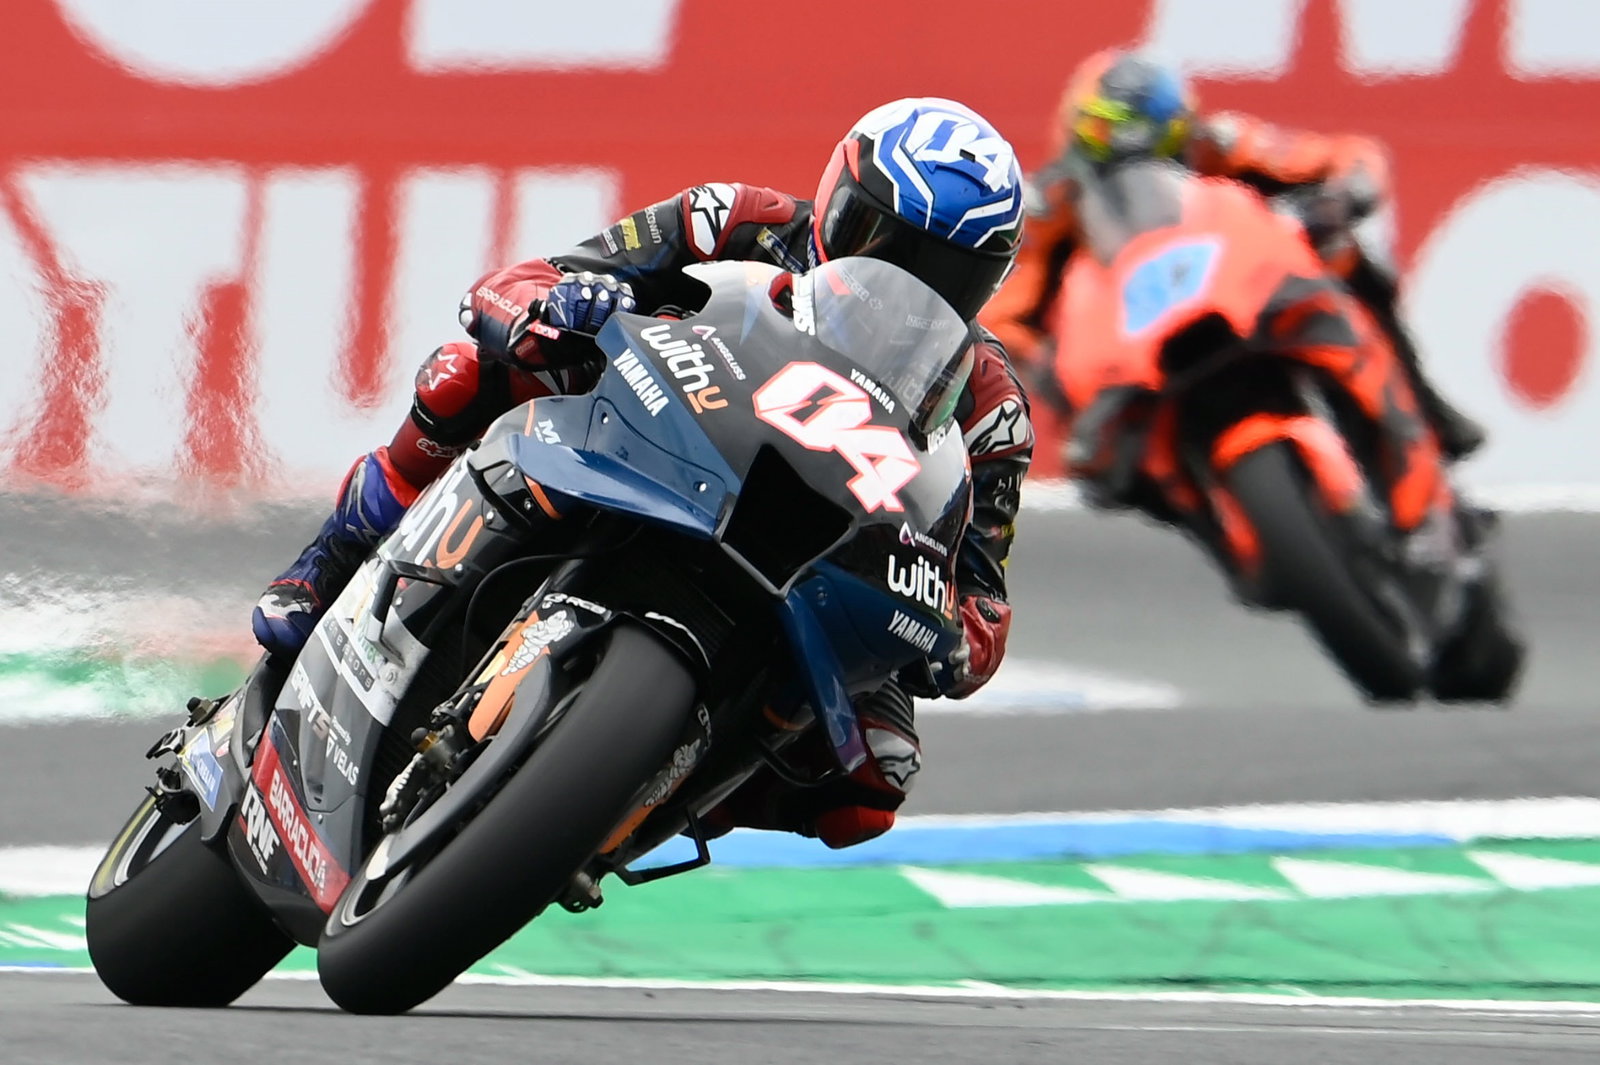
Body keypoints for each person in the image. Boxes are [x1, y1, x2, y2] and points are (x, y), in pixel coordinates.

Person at [251, 97, 1034, 849]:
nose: (899, 285)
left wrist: (950, 634)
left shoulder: (991, 409)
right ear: (835, 200)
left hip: (815, 560)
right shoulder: (734, 220)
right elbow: (522, 282)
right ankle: (332, 560)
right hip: (649, 438)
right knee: (465, 375)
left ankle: (638, 796)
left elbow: (983, 600)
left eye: (944, 278)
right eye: (879, 239)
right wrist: (558, 311)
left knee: (874, 775)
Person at [983, 48, 1485, 461]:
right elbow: (1006, 311)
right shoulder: (1052, 202)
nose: (1124, 154)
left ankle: (1422, 405)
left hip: (1242, 291)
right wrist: (1041, 361)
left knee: (1345, 252)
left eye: (1154, 139)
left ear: (1181, 129)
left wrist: (1342, 196)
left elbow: (1345, 156)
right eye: (1103, 132)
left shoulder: (1218, 143)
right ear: (1078, 130)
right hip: (1128, 354)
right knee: (1090, 449)